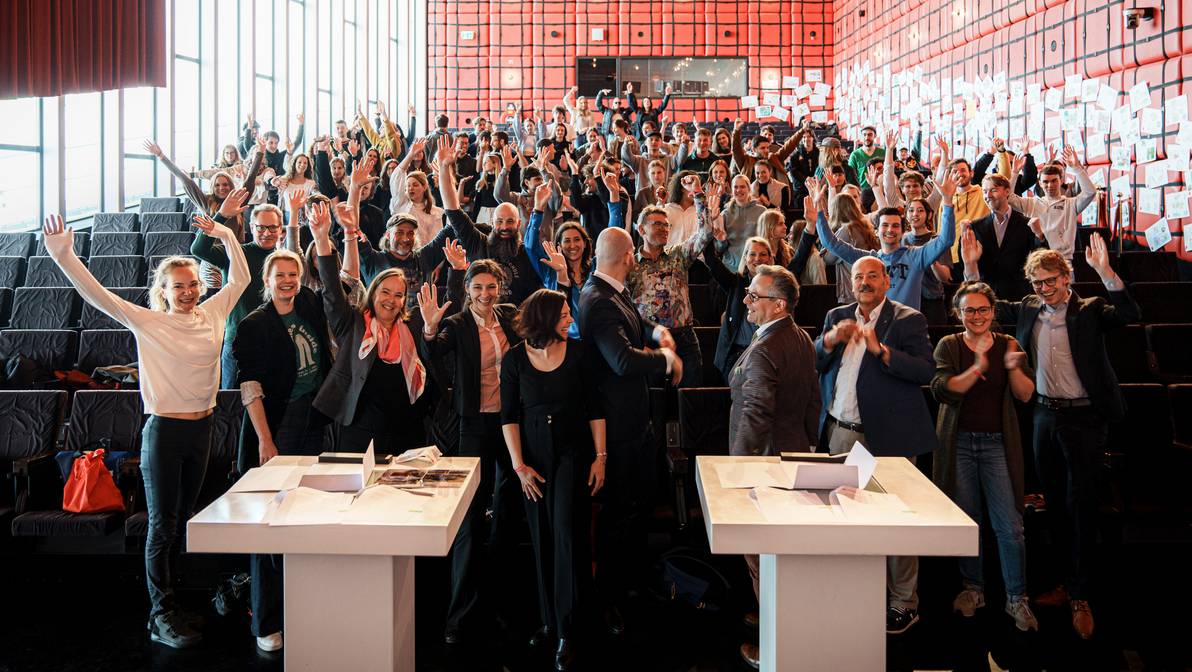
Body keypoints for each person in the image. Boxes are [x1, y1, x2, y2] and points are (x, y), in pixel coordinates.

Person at [42, 212, 248, 649]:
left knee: (186, 519)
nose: (188, 292)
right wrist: (63, 253)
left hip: (203, 428)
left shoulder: (213, 313)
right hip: (164, 432)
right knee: (162, 523)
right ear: (165, 292)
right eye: (179, 287)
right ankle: (160, 613)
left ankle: (182, 599)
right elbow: (96, 295)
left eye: (192, 284)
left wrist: (226, 234)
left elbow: (242, 278)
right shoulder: (148, 322)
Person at [961, 233, 1140, 640]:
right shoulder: (1027, 309)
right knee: (1055, 505)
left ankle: (1081, 594)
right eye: (1037, 282)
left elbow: (1129, 313)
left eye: (1050, 280)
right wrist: (971, 267)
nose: (1044, 289)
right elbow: (983, 309)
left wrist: (1106, 272)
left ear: (1067, 277)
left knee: (1083, 504)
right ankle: (1066, 583)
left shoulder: (1091, 309)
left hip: (1086, 419)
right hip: (1044, 417)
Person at [814, 256, 937, 635]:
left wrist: (881, 350)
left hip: (887, 438)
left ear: (887, 280)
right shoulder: (837, 314)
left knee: (895, 521)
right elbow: (814, 361)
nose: (864, 282)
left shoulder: (907, 319)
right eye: (858, 276)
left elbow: (925, 371)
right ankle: (851, 591)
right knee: (841, 519)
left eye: (872, 276)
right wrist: (829, 340)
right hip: (840, 431)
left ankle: (904, 602)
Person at [579, 226, 681, 636]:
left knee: (633, 507)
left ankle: (630, 583)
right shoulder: (598, 301)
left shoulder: (609, 291)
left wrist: (658, 331)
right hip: (617, 427)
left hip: (633, 421)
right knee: (617, 515)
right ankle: (608, 597)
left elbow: (636, 320)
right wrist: (666, 360)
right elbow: (621, 360)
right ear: (627, 257)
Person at [232, 247, 334, 653]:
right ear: (267, 281)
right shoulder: (255, 324)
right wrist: (266, 439)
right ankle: (267, 620)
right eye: (280, 275)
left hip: (312, 419)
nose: (288, 280)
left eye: (294, 273)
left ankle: (304, 607)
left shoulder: (307, 302)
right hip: (276, 425)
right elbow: (250, 386)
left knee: (305, 515)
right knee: (270, 524)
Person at [500, 289, 606, 670]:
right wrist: (519, 467)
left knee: (565, 533)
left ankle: (567, 627)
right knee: (542, 536)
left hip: (572, 453)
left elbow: (595, 408)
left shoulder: (578, 354)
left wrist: (601, 458)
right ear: (545, 317)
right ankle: (549, 619)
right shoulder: (514, 359)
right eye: (563, 314)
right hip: (532, 457)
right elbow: (508, 416)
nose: (570, 318)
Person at [419, 253, 522, 644]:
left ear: (499, 289)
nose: (485, 293)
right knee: (469, 519)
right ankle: (458, 616)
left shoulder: (509, 317)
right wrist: (429, 330)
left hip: (509, 423)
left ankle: (500, 605)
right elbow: (435, 352)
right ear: (467, 290)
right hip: (473, 425)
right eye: (478, 287)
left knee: (507, 514)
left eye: (491, 287)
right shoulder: (458, 324)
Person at [930, 282, 1039, 633]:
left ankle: (1016, 597)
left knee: (1010, 525)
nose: (976, 316)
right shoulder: (949, 345)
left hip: (996, 445)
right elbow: (946, 391)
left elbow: (1025, 395)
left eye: (983, 309)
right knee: (969, 520)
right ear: (958, 314)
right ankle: (973, 589)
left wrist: (1010, 368)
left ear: (993, 312)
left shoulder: (1009, 345)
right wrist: (978, 365)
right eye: (969, 310)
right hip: (958, 443)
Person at [730, 263, 821, 669]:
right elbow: (813, 400)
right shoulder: (800, 336)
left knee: (762, 558)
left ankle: (776, 647)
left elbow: (755, 413)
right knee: (778, 555)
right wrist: (808, 445)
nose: (746, 300)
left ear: (778, 305)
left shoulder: (767, 348)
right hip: (793, 452)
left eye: (754, 295)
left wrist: (735, 471)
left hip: (763, 465)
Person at [309, 201, 430, 453]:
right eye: (385, 292)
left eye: (398, 295)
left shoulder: (413, 325)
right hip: (359, 430)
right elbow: (332, 290)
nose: (391, 299)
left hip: (405, 429)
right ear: (373, 293)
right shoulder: (351, 323)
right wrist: (322, 239)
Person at [809, 171, 958, 310]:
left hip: (908, 328)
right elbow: (831, 244)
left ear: (901, 231)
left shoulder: (916, 256)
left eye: (895, 226)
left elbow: (946, 240)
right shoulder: (870, 259)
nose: (890, 230)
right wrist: (819, 211)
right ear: (878, 231)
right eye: (885, 225)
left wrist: (947, 202)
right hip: (876, 329)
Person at [190, 191, 284, 389]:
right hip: (236, 339)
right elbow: (198, 249)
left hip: (273, 338)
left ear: (280, 229)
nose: (267, 232)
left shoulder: (285, 260)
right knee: (231, 398)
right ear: (252, 227)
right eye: (261, 227)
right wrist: (221, 216)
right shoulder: (236, 251)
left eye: (273, 227)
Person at [438, 136, 545, 305]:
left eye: (510, 222)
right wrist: (444, 167)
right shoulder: (478, 243)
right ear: (492, 223)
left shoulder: (526, 254)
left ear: (518, 224)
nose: (504, 227)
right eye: (499, 221)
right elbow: (453, 210)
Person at [964, 173, 1047, 301]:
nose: (988, 196)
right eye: (985, 191)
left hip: (1019, 296)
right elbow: (968, 262)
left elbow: (1041, 258)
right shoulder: (975, 227)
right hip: (987, 296)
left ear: (1007, 191)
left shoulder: (1027, 224)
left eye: (993, 190)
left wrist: (1040, 235)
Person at [1007, 146, 1096, 260]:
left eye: (1054, 180)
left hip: (1063, 260)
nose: (1050, 185)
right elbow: (1008, 198)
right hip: (1037, 259)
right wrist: (1014, 172)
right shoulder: (1031, 203)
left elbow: (1090, 192)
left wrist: (1076, 167)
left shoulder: (1071, 204)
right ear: (1040, 183)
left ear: (1061, 180)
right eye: (1045, 182)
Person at [848, 125, 885, 190]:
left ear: (875, 136)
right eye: (864, 135)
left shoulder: (883, 153)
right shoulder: (855, 155)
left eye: (870, 135)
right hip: (862, 192)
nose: (867, 137)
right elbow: (850, 176)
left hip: (881, 190)